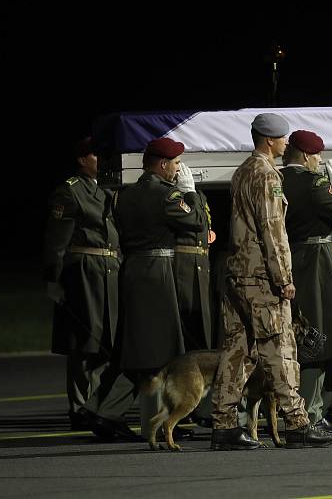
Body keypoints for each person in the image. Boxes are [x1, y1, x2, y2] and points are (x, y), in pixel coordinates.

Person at [210, 113, 332, 450]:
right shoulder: (268, 176)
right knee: (280, 349)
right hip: (261, 278)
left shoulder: (242, 171)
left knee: (236, 351)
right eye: (282, 139)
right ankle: (297, 424)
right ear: (270, 140)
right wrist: (284, 278)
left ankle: (223, 425)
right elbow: (272, 229)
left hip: (237, 273)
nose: (285, 144)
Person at [113, 137, 206, 438]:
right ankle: (153, 420)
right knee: (163, 346)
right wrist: (190, 193)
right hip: (157, 271)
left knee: (142, 344)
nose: (179, 170)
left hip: (133, 269)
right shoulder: (166, 195)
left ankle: (152, 418)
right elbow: (194, 222)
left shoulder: (126, 194)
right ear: (163, 165)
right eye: (176, 164)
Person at [281, 129, 332, 434]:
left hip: (290, 257)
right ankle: (311, 413)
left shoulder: (276, 178)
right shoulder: (313, 182)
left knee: (305, 337)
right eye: (317, 155)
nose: (320, 161)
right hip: (314, 262)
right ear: (305, 156)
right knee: (316, 336)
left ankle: (312, 410)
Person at [43, 137, 121, 431]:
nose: (102, 160)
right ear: (82, 159)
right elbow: (56, 241)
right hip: (84, 274)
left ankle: (96, 404)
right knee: (85, 341)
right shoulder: (70, 192)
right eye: (96, 155)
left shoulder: (108, 188)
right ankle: (79, 408)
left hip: (109, 271)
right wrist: (53, 279)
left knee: (107, 342)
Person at [173, 163, 217, 425]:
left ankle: (198, 406)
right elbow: (194, 220)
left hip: (200, 267)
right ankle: (184, 405)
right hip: (183, 269)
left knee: (201, 336)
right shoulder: (176, 196)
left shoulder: (197, 195)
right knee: (186, 335)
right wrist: (188, 194)